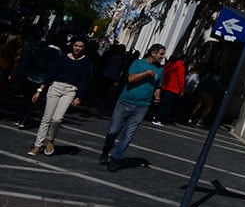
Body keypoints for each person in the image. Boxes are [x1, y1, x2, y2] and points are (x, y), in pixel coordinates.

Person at [100, 44, 165, 172]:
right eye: (161, 54)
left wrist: (157, 96)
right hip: (125, 101)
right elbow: (130, 79)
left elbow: (158, 86)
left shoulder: (160, 70)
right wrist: (146, 73)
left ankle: (115, 158)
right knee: (113, 131)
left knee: (128, 135)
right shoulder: (138, 63)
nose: (163, 56)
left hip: (142, 106)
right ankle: (106, 148)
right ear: (153, 53)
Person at [28, 37, 94, 156]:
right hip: (56, 86)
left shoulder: (86, 61)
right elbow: (52, 73)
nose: (77, 48)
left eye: (80, 46)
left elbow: (84, 80)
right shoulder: (63, 57)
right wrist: (40, 90)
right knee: (46, 118)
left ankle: (50, 139)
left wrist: (79, 97)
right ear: (72, 45)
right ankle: (38, 145)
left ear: (84, 48)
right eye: (76, 45)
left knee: (57, 118)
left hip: (70, 90)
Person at [10, 32, 63, 129]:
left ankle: (18, 117)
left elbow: (28, 63)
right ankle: (25, 120)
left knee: (25, 98)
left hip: (31, 77)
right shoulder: (60, 57)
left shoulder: (40, 50)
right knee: (34, 101)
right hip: (44, 82)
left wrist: (16, 74)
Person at [153, 54, 187, 125]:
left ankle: (156, 116)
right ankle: (158, 119)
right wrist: (182, 90)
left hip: (165, 86)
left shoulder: (171, 64)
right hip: (173, 88)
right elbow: (181, 79)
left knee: (162, 103)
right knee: (166, 105)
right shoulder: (180, 66)